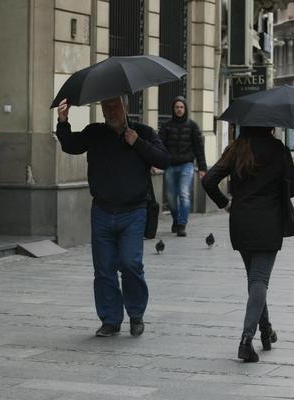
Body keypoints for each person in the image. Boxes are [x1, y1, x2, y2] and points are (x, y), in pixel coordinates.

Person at [55, 96, 169, 337]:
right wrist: (63, 122)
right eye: (105, 106)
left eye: (115, 105)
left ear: (126, 107)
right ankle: (110, 319)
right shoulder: (95, 132)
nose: (110, 110)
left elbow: (163, 159)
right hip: (103, 211)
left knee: (130, 264)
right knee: (104, 269)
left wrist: (137, 143)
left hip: (134, 212)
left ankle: (136, 314)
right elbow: (70, 145)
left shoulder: (143, 132)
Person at [202, 126, 294, 362]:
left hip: (241, 221)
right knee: (259, 281)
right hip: (269, 222)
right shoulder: (279, 149)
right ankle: (246, 340)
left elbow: (209, 180)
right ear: (270, 126)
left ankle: (266, 332)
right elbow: (293, 189)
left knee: (255, 280)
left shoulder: (237, 148)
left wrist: (225, 204)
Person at [158, 96, 207, 237]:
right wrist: (156, 163)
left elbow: (199, 148)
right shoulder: (166, 126)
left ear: (185, 109)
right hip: (170, 166)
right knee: (171, 197)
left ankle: (181, 225)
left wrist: (203, 168)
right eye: (176, 107)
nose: (179, 109)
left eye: (181, 107)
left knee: (184, 194)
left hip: (187, 166)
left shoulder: (192, 126)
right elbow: (159, 146)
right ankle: (176, 218)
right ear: (173, 109)